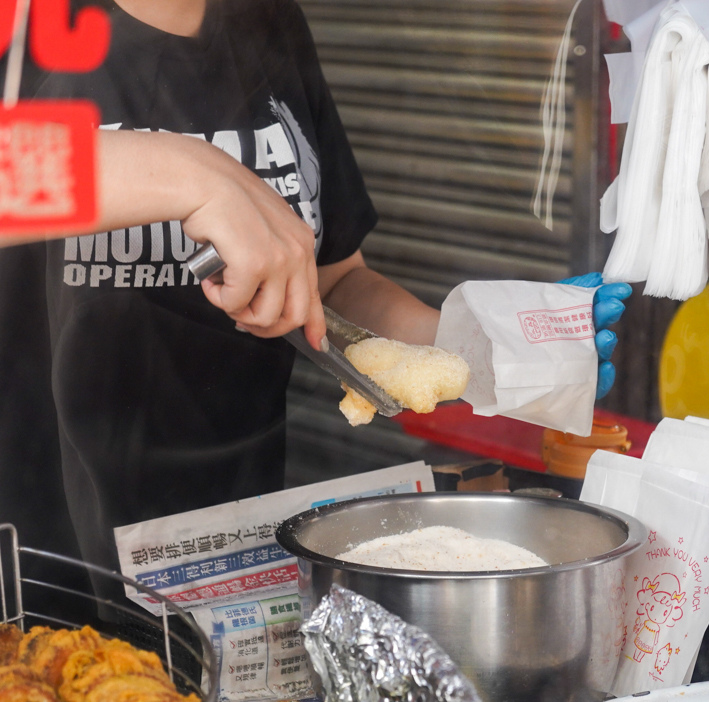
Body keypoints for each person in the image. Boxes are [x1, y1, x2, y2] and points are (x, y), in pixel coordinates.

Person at [0, 0, 631, 623]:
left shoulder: (267, 23)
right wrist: (192, 172)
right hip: (50, 564)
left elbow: (333, 280)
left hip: (231, 555)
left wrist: (471, 346)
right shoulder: (32, 20)